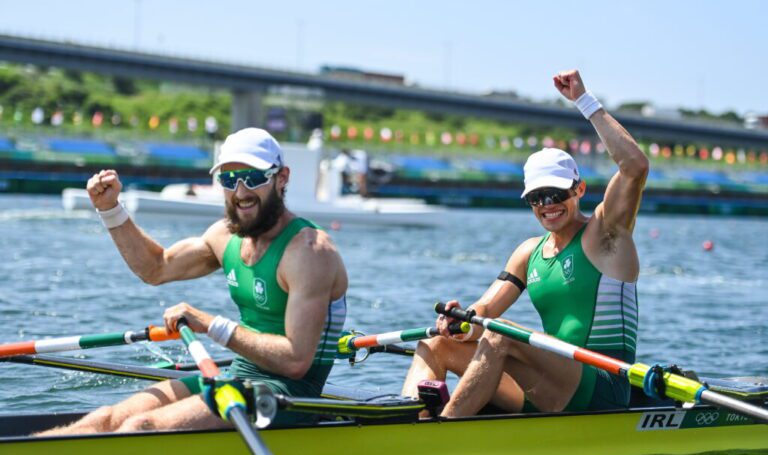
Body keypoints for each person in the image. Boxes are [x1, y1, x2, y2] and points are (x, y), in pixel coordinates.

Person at [40, 127, 348, 435]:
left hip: (288, 397)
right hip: (237, 378)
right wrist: (110, 209)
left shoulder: (309, 252)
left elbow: (296, 362)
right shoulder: (224, 236)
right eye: (229, 180)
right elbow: (156, 268)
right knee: (105, 419)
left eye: (253, 178)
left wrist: (211, 324)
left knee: (140, 426)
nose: (240, 192)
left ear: (281, 178)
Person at [401, 70, 649, 417]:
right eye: (536, 197)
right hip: (548, 384)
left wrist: (584, 101)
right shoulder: (528, 252)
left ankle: (444, 428)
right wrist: (459, 324)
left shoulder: (605, 234)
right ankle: (405, 422)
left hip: (603, 387)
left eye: (555, 193)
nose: (547, 204)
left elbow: (635, 166)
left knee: (503, 335)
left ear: (579, 190)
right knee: (435, 343)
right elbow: (484, 314)